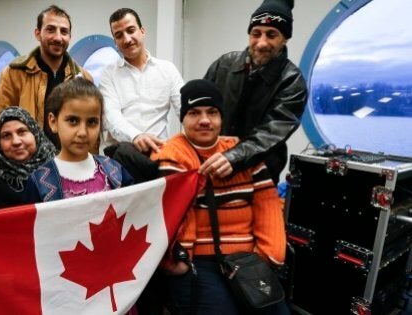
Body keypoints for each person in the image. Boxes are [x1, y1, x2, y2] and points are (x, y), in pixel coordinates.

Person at [151, 79, 288, 315]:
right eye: (194, 113)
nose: (204, 120)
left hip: (249, 257)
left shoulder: (243, 153)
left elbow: (268, 205)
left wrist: (268, 259)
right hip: (201, 260)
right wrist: (180, 259)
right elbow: (180, 215)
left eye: (212, 112)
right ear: (182, 118)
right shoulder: (174, 154)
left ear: (221, 117)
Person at [202, 0, 307, 185]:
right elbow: (199, 108)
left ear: (285, 39)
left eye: (271, 35)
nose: (261, 43)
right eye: (256, 33)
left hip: (261, 172)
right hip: (213, 164)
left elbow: (270, 134)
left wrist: (232, 156)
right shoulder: (223, 64)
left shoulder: (292, 81)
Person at [0, 5, 93, 149]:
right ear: (38, 34)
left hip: (70, 160)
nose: (58, 37)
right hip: (28, 162)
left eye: (64, 32)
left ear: (70, 37)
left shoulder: (83, 78)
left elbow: (90, 126)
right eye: (51, 29)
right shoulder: (14, 73)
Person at [24, 77, 133, 203]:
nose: (83, 132)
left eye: (92, 122)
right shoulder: (39, 181)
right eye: (73, 121)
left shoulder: (115, 171)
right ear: (53, 122)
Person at [99, 8, 183, 154]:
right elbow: (111, 117)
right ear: (115, 42)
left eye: (131, 30)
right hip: (123, 153)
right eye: (119, 35)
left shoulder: (167, 70)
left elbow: (186, 110)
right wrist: (136, 136)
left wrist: (186, 145)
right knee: (124, 152)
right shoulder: (108, 74)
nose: (127, 39)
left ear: (142, 31)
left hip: (159, 151)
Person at [0, 107, 56, 212]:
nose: (16, 141)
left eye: (22, 132)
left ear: (36, 134)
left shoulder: (58, 170)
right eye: (6, 136)